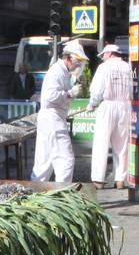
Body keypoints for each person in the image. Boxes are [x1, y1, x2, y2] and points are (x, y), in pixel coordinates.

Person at [31, 41, 86, 183]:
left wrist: (71, 89)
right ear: (68, 58)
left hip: (51, 118)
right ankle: (62, 193)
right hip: (52, 118)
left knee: (44, 161)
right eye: (78, 61)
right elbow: (50, 97)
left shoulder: (63, 72)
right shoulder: (57, 71)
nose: (79, 65)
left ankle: (35, 192)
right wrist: (69, 94)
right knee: (65, 160)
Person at [87, 44, 132, 188]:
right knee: (122, 144)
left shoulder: (104, 68)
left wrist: (92, 104)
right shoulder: (128, 67)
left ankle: (98, 180)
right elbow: (132, 89)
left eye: (104, 55)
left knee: (101, 142)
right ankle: (120, 179)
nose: (103, 58)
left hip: (108, 105)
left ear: (110, 53)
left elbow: (96, 90)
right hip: (125, 105)